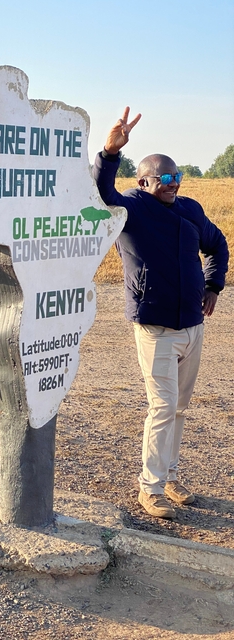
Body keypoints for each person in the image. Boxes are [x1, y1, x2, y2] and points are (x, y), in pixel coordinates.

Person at [93, 108, 229, 519]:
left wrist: (213, 284)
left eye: (176, 178)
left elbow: (217, 244)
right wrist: (108, 153)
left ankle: (169, 476)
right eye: (164, 179)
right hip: (155, 328)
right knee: (162, 406)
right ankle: (149, 488)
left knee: (180, 408)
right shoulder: (132, 207)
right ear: (144, 181)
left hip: (192, 325)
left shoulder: (190, 210)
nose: (172, 185)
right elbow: (101, 194)